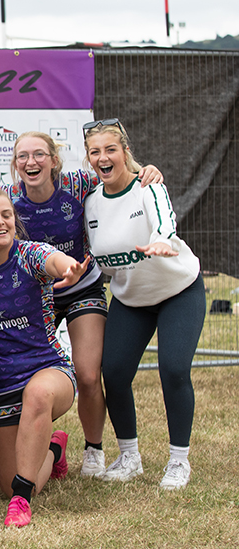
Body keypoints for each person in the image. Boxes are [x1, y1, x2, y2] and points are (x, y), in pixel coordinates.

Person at [0, 132, 162, 477]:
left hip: (82, 289)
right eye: (22, 156)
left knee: (87, 374)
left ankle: (94, 449)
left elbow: (118, 177)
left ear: (54, 161)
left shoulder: (77, 184)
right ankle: (15, 447)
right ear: (15, 164)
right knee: (20, 376)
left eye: (39, 155)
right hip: (35, 297)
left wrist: (145, 171)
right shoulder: (7, 198)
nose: (31, 162)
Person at [83, 118, 205, 490]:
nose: (103, 158)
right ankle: (129, 457)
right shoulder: (90, 202)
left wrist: (162, 240)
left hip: (178, 291)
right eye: (95, 152)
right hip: (131, 300)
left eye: (111, 149)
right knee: (114, 372)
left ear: (125, 152)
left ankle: (179, 461)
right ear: (89, 158)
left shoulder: (148, 186)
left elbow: (164, 221)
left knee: (174, 369)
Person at [0, 183, 87, 528]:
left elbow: (54, 260)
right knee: (9, 481)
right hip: (1, 382)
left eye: (6, 215)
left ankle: (20, 503)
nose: (0, 222)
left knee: (38, 395)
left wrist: (68, 268)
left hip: (49, 370)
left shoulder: (29, 254)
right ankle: (54, 448)